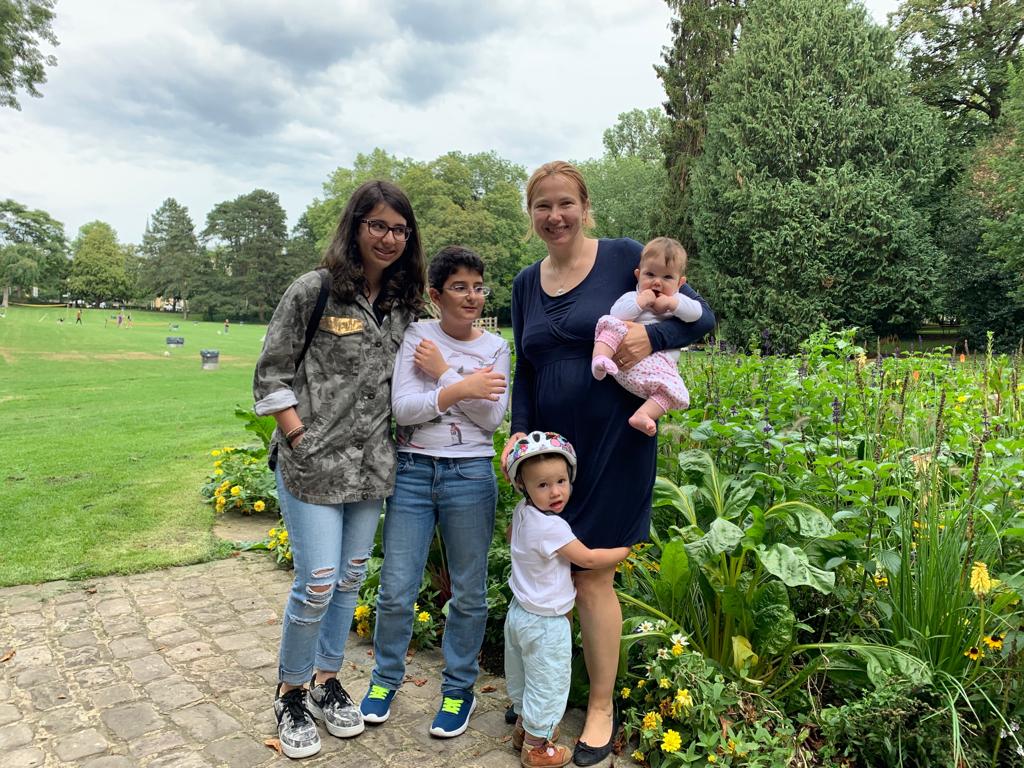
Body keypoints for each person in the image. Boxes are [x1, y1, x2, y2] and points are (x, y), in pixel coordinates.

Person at [501, 161, 715, 766]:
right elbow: (527, 369)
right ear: (531, 214)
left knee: (593, 576)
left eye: (565, 203)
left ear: (585, 206)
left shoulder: (625, 256)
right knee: (550, 572)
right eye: (542, 206)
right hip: (551, 456)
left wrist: (655, 338)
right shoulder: (525, 283)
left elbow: (701, 317)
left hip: (618, 440)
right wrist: (519, 438)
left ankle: (599, 706)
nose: (555, 216)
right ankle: (545, 692)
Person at [253, 180, 426, 760]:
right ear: (355, 227)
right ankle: (290, 692)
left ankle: (327, 681)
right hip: (313, 467)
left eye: (399, 229)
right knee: (318, 582)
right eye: (378, 225)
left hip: (371, 468)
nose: (389, 238)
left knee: (350, 578)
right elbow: (271, 373)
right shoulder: (316, 290)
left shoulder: (405, 306)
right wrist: (297, 437)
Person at [361, 245, 510, 738]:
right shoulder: (418, 335)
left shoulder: (496, 347)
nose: (471, 297)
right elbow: (403, 409)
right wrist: (467, 388)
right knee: (396, 588)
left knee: (468, 592)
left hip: (470, 476)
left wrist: (445, 376)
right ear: (435, 294)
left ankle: (459, 690)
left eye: (478, 287)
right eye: (459, 287)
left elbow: (491, 418)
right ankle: (385, 680)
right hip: (413, 472)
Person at [504, 432, 630, 768]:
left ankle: (523, 728)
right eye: (543, 485)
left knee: (525, 675)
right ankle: (536, 748)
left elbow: (510, 536)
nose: (556, 492)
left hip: (519, 613)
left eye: (561, 481)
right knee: (548, 683)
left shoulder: (522, 512)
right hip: (546, 623)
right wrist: (624, 550)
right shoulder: (553, 528)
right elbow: (587, 559)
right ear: (523, 486)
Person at [591, 236, 702, 435]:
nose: (657, 282)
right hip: (617, 362)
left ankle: (643, 414)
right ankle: (599, 359)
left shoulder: (678, 300)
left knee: (674, 390)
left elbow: (697, 313)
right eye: (650, 274)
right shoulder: (632, 297)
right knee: (610, 323)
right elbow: (617, 313)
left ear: (680, 283)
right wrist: (641, 302)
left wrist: (672, 304)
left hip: (656, 368)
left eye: (667, 277)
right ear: (638, 275)